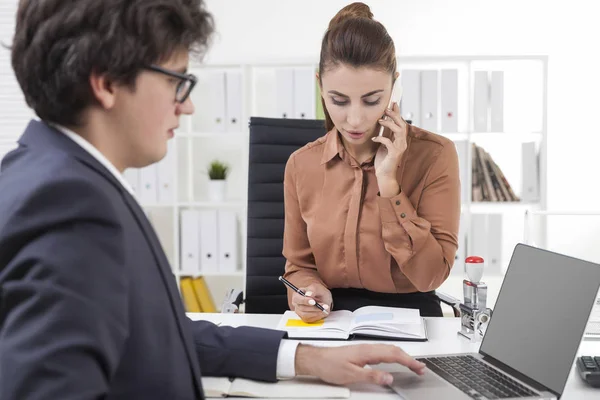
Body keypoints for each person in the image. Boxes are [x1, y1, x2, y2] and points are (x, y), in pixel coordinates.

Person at [0, 0, 426, 398]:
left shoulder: (53, 178)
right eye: (177, 81)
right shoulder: (68, 207)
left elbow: (159, 333)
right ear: (107, 83)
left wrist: (305, 357)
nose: (186, 108)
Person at [283, 2, 460, 322]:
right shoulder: (301, 165)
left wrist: (390, 185)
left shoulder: (435, 155)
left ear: (395, 85)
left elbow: (431, 276)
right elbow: (298, 268)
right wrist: (307, 292)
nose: (354, 119)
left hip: (413, 317)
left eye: (371, 99)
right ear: (320, 85)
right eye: (338, 100)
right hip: (331, 318)